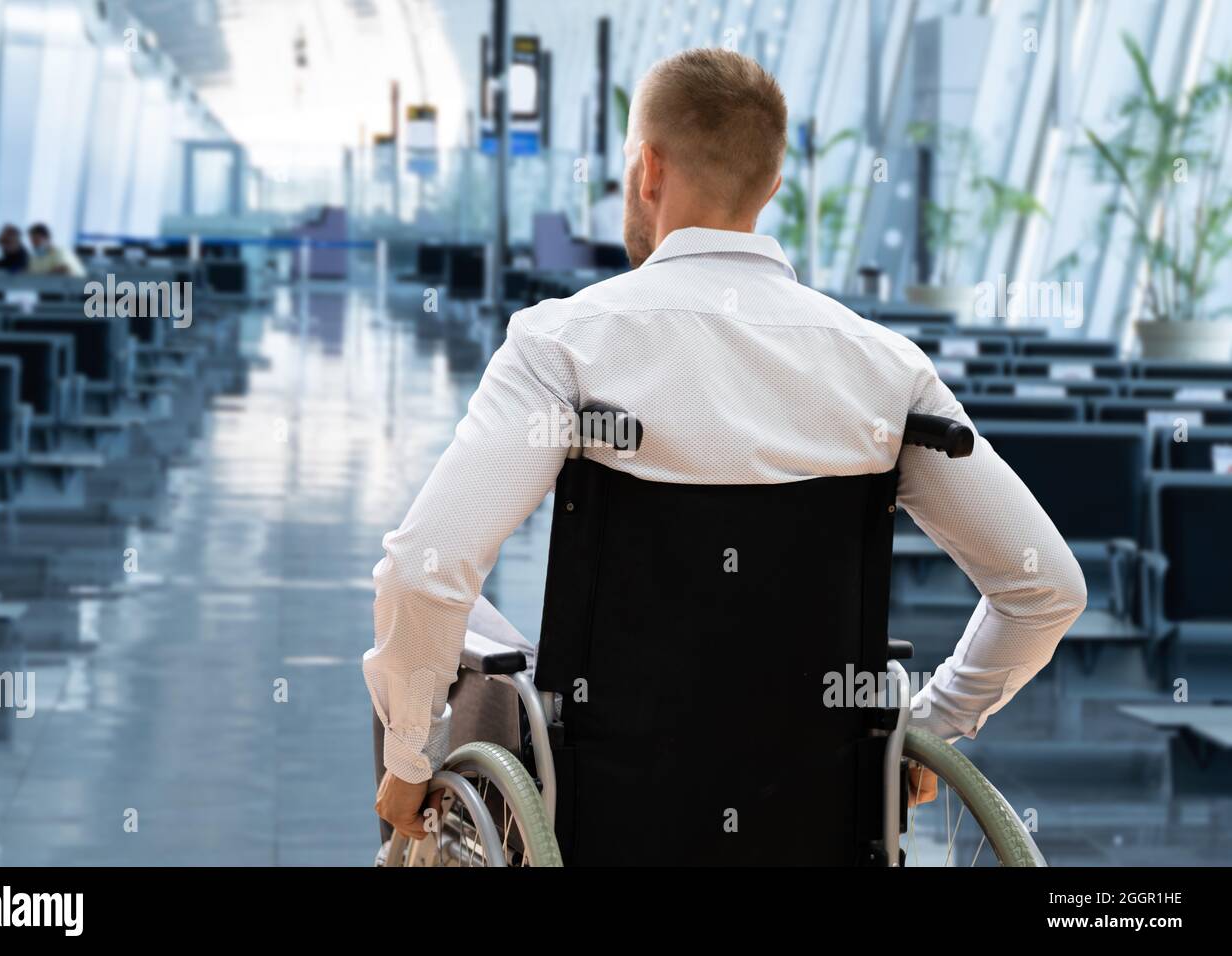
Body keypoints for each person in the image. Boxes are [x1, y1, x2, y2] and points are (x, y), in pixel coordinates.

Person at [366, 49, 1086, 848]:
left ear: (647, 169)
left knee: (461, 653)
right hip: (819, 820)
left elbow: (424, 568)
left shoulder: (564, 346)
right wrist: (929, 724)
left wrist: (408, 756)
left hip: (606, 819)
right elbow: (1046, 587)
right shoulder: (888, 370)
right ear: (771, 187)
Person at [590, 179, 625, 246]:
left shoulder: (597, 206)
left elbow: (592, 226)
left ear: (606, 190)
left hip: (601, 245)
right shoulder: (625, 206)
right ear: (617, 190)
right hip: (620, 245)